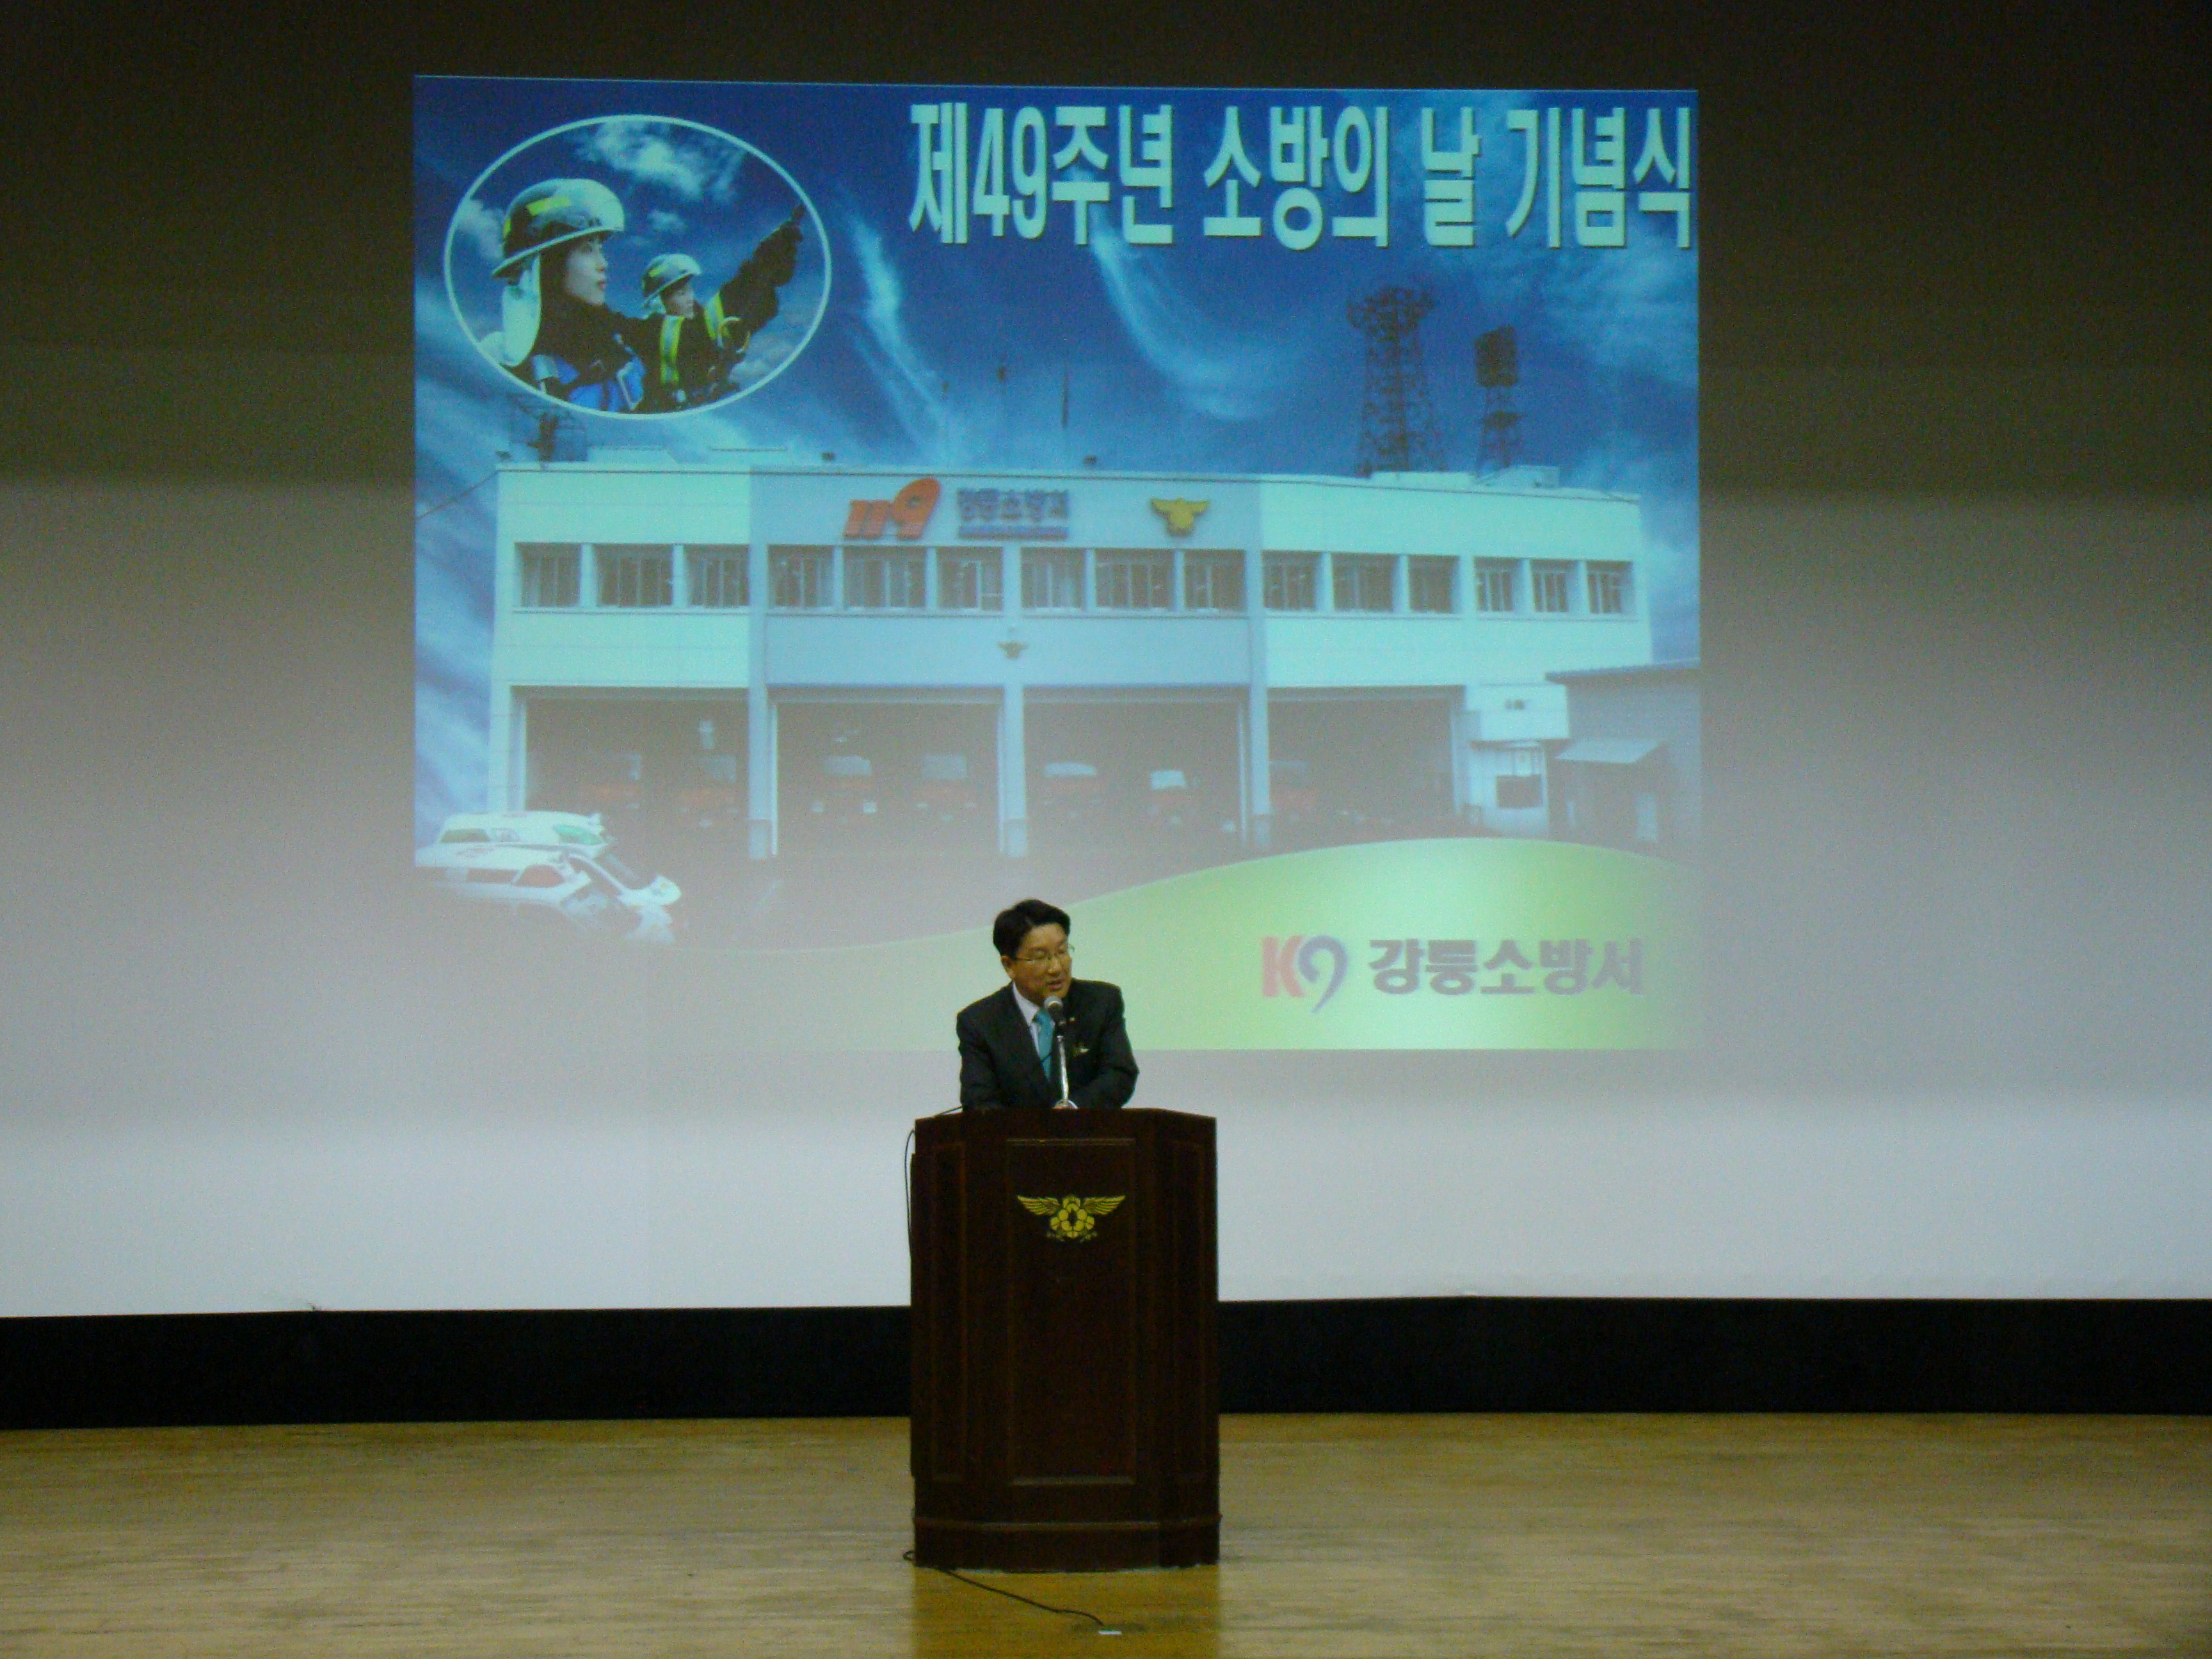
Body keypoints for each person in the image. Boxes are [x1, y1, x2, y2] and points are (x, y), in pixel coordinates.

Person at [482, 178, 801, 413]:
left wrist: (763, 269)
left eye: (601, 249)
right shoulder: (498, 361)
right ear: (547, 267)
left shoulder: (624, 336)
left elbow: (704, 334)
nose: (604, 264)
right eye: (587, 250)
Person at [956, 899, 1137, 1112]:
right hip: (1016, 1133)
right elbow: (979, 1100)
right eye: (1040, 957)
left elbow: (1119, 1074)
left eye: (1062, 951)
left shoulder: (1100, 1002)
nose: (1056, 968)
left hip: (1087, 1130)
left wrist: (1073, 1109)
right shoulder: (980, 1022)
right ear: (1009, 965)